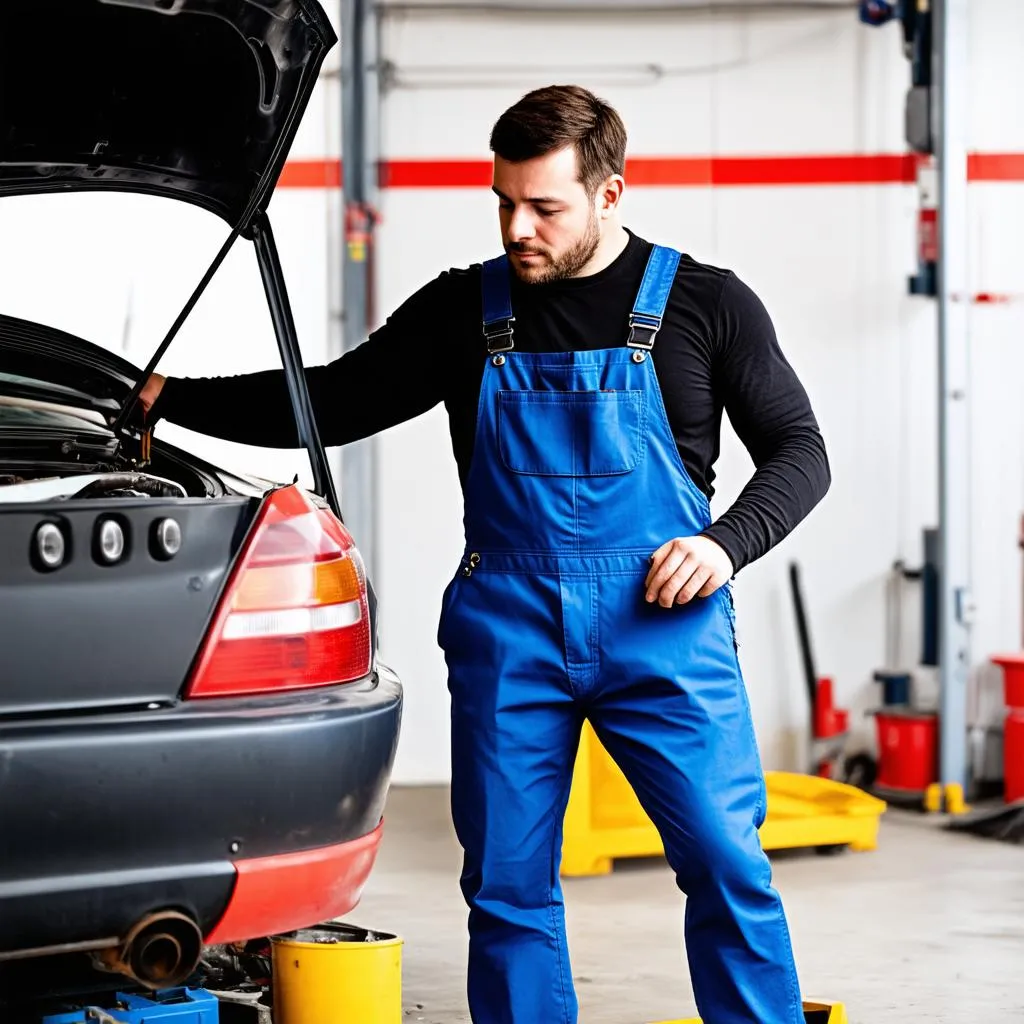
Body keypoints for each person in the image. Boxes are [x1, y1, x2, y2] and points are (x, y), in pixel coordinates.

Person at [140, 85, 830, 1024]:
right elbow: (334, 401)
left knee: (725, 860)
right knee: (506, 885)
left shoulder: (704, 303)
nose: (518, 226)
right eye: (503, 201)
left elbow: (802, 451)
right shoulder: (468, 308)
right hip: (510, 632)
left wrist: (723, 545)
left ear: (610, 195)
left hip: (666, 625)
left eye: (544, 206)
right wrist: (171, 396)